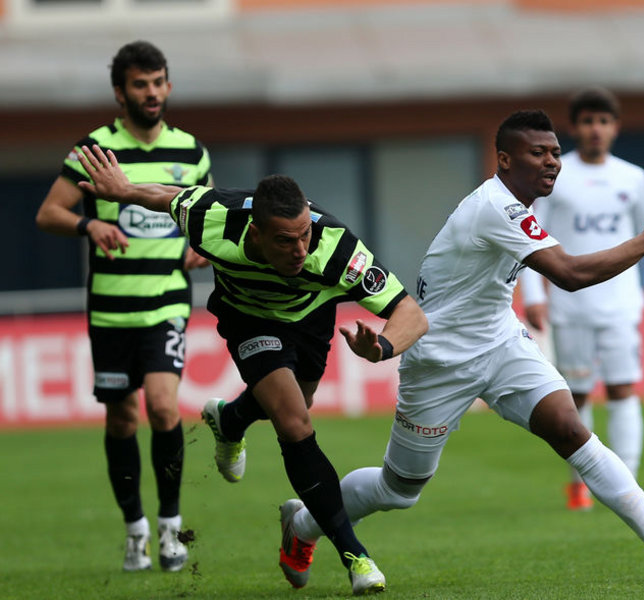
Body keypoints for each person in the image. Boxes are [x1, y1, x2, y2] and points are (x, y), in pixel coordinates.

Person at [278, 109, 644, 586]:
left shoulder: (519, 206)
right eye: (537, 153)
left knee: (571, 429)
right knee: (399, 489)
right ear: (504, 159)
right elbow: (570, 274)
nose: (551, 162)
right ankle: (303, 523)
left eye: (555, 153)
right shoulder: (496, 207)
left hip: (502, 345)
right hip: (439, 362)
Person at [73, 143, 428, 595]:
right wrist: (123, 191)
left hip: (309, 318)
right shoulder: (212, 218)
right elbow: (166, 195)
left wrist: (381, 347)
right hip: (249, 318)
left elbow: (411, 314)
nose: (299, 250)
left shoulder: (336, 249)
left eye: (304, 235)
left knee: (300, 400)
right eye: (285, 240)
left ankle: (231, 419)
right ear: (255, 233)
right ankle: (356, 556)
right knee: (295, 422)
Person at [35, 41, 212, 572]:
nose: (151, 93)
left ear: (168, 86)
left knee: (162, 407)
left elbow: (208, 219)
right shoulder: (94, 150)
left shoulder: (191, 153)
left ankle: (171, 529)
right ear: (121, 93)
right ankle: (135, 530)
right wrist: (89, 224)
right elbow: (49, 213)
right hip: (111, 309)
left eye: (158, 82)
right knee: (122, 419)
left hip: (166, 303)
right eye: (140, 84)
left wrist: (201, 247)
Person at [517, 88, 644, 510]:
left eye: (603, 121)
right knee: (576, 394)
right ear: (574, 127)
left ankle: (627, 483)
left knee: (622, 388)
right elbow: (530, 236)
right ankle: (580, 483)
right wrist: (534, 294)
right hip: (571, 306)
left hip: (621, 305)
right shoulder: (556, 175)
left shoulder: (632, 178)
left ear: (615, 127)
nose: (595, 129)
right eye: (587, 121)